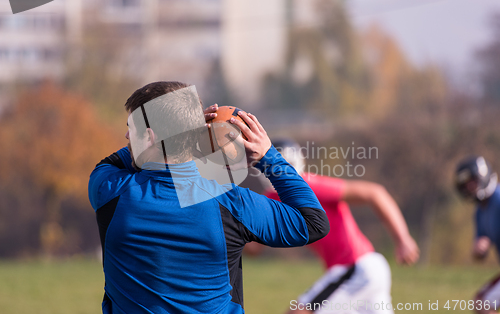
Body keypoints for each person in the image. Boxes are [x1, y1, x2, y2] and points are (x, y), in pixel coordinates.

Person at [88, 81, 329, 314]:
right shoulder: (231, 203)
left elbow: (110, 163)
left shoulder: (109, 191)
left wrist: (179, 134)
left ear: (150, 137)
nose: (127, 137)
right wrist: (269, 157)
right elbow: (314, 223)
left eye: (132, 128)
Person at [249, 138, 420, 314]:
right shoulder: (272, 198)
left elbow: (374, 193)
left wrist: (403, 239)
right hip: (364, 270)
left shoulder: (307, 186)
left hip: (356, 267)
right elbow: (254, 248)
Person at [455, 156, 500, 314]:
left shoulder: (498, 199)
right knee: (481, 302)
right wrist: (479, 249)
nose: (470, 187)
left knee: (482, 302)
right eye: (466, 185)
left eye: (472, 181)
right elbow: (479, 256)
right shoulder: (480, 212)